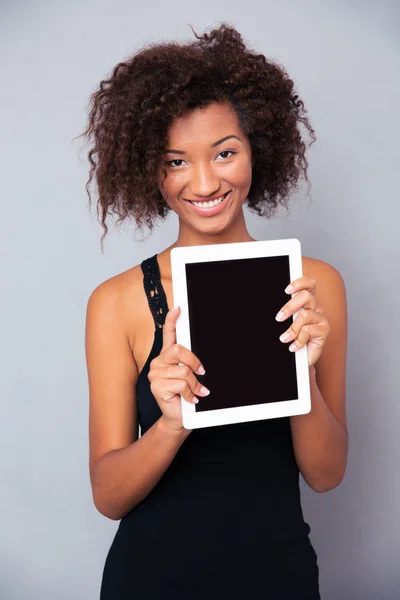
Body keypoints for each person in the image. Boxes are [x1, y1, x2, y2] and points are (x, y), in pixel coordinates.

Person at [81, 24, 348, 599]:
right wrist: (172, 424)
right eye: (177, 161)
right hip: (152, 580)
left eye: (225, 152)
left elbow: (327, 476)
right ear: (151, 170)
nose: (204, 182)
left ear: (259, 149)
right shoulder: (117, 302)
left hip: (278, 575)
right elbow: (108, 495)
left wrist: (300, 371)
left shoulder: (316, 284)